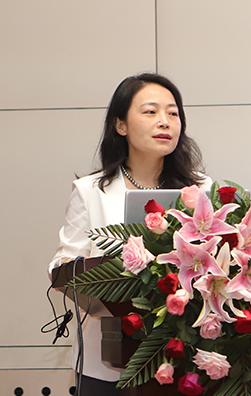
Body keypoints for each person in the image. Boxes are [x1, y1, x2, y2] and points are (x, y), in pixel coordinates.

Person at [48, 73, 212, 395]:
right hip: (106, 361)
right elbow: (62, 264)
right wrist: (100, 270)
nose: (164, 121)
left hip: (185, 357)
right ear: (120, 125)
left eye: (173, 113)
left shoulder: (201, 190)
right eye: (150, 112)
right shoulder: (91, 192)